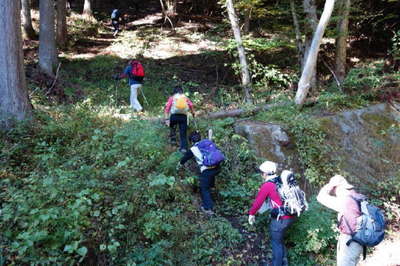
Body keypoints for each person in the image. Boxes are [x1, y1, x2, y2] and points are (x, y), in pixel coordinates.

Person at [248, 161, 295, 266]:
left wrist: (251, 214)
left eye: (261, 173)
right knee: (280, 239)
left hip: (281, 219)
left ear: (265, 173)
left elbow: (258, 203)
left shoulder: (268, 185)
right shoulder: (281, 180)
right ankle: (284, 262)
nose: (261, 175)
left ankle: (277, 264)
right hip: (291, 215)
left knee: (276, 243)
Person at [317, 175, 365, 266]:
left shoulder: (344, 201)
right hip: (360, 239)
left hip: (350, 240)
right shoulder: (356, 196)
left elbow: (320, 197)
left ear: (337, 188)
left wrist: (329, 185)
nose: (334, 193)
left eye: (334, 190)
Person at [177, 131, 221, 215]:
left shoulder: (193, 149)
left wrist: (178, 165)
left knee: (204, 188)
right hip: (217, 167)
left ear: (191, 141)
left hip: (207, 170)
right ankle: (213, 192)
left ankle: (208, 208)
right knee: (210, 179)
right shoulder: (207, 142)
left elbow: (184, 158)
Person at [164, 87, 195, 153]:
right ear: (182, 91)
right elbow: (191, 105)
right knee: (183, 134)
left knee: (172, 127)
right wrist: (193, 113)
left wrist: (166, 119)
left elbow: (167, 109)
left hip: (174, 116)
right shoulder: (185, 98)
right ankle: (184, 148)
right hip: (183, 117)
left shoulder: (172, 98)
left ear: (174, 92)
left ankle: (173, 140)